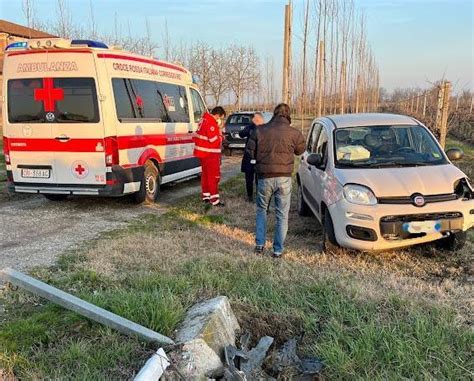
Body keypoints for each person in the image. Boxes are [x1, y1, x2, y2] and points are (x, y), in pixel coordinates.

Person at [245, 103, 305, 258]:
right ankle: (277, 250)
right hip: (284, 178)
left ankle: (259, 245)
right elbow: (300, 150)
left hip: (264, 177)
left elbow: (250, 152)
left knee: (261, 210)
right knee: (282, 215)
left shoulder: (260, 130)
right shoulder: (294, 133)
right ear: (288, 115)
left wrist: (258, 161)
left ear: (274, 114)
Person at [193, 106, 226, 207]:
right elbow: (214, 141)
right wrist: (220, 134)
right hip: (210, 154)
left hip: (203, 153)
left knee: (205, 176)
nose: (220, 120)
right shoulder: (211, 122)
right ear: (217, 115)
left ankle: (206, 196)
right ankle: (214, 200)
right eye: (220, 118)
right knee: (213, 177)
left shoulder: (203, 120)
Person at [239, 112, 265, 202]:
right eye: (254, 119)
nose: (254, 120)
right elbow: (241, 134)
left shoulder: (265, 128)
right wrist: (250, 127)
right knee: (249, 177)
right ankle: (249, 196)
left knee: (260, 178)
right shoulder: (250, 127)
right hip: (249, 156)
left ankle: (259, 196)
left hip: (260, 156)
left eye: (256, 119)